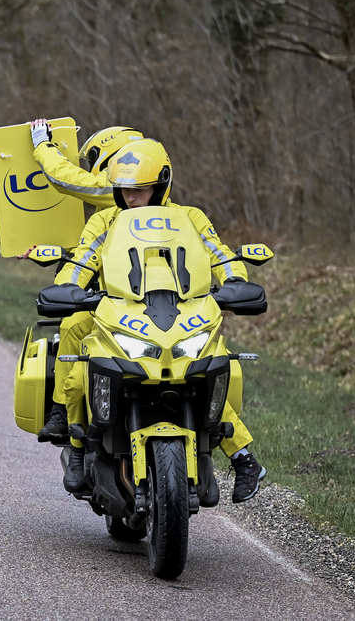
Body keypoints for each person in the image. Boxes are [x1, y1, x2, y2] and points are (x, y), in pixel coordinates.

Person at [55, 138, 266, 504]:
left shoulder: (190, 217)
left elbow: (219, 253)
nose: (130, 197)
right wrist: (66, 288)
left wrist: (234, 281)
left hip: (182, 315)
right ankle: (78, 448)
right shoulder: (105, 220)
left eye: (139, 189)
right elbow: (82, 261)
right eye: (123, 189)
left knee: (209, 367)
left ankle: (243, 458)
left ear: (162, 183)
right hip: (119, 313)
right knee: (79, 372)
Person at [27, 121, 145, 444]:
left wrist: (41, 145)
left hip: (155, 302)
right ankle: (63, 413)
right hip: (115, 299)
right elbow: (90, 250)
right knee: (72, 326)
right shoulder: (125, 203)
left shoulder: (120, 188)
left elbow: (67, 179)